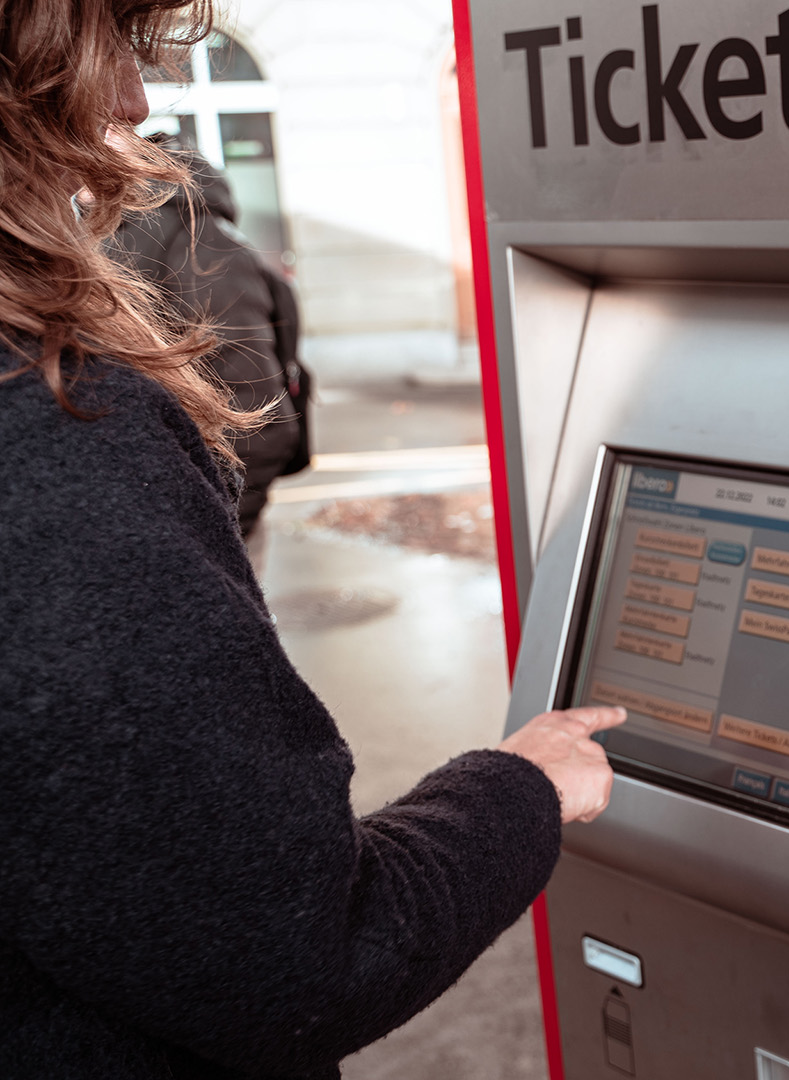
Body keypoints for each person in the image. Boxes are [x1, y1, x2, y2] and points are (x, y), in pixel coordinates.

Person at [0, 4, 624, 1077]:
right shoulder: (55, 436)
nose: (135, 105)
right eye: (111, 49)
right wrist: (520, 788)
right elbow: (291, 960)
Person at [112, 142, 305, 547]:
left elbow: (256, 414)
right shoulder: (120, 236)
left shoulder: (197, 243)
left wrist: (224, 535)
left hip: (199, 530)